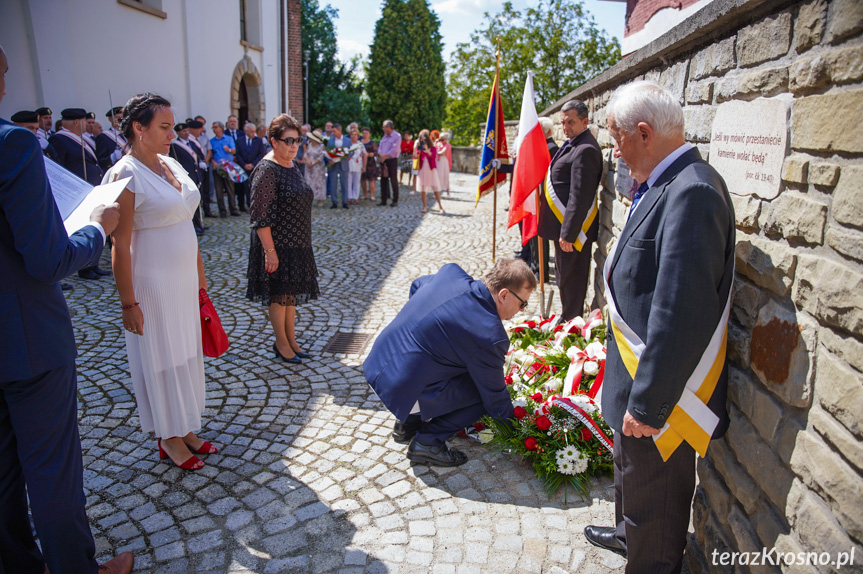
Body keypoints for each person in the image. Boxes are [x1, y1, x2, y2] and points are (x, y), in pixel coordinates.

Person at [583, 81, 735, 574]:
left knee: (657, 492)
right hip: (636, 369)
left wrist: (650, 405)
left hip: (663, 394)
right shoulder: (667, 180)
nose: (616, 151)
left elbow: (680, 311)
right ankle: (631, 533)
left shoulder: (691, 191)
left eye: (618, 138)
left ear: (644, 133)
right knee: (633, 476)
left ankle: (650, 560)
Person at [0, 44, 133, 574]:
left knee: (4, 473)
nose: (7, 85)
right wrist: (97, 228)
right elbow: (49, 258)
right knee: (51, 469)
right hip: (26, 336)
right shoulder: (12, 144)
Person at [106, 92, 216, 472]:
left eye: (172, 126)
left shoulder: (170, 163)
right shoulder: (126, 174)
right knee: (161, 355)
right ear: (139, 128)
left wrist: (199, 275)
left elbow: (186, 219)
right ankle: (167, 436)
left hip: (183, 276)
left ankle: (184, 425)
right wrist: (128, 303)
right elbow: (120, 243)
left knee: (185, 351)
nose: (173, 133)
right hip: (151, 280)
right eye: (164, 127)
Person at [364, 258, 536, 466]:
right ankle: (427, 443)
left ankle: (407, 424)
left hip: (377, 363)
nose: (522, 310)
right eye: (522, 303)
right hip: (401, 387)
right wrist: (518, 434)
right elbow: (494, 398)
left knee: (461, 370)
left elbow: (417, 284)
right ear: (504, 294)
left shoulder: (451, 273)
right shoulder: (490, 334)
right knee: (481, 395)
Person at [246, 114, 320, 363]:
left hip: (296, 242)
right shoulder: (267, 170)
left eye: (297, 140)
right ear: (273, 141)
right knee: (279, 295)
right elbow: (259, 216)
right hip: (276, 245)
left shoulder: (292, 164)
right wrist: (270, 251)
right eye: (288, 140)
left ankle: (291, 339)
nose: (293, 145)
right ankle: (281, 342)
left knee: (291, 297)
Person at [537, 100, 602, 321]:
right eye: (563, 122)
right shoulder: (573, 143)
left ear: (585, 121)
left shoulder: (585, 149)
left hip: (573, 231)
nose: (565, 127)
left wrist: (569, 232)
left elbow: (580, 195)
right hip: (563, 225)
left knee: (571, 280)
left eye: (571, 122)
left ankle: (572, 323)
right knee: (565, 278)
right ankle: (568, 318)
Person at [49, 107, 110, 281]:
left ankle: (93, 264)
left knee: (95, 223)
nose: (87, 125)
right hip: (77, 192)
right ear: (77, 122)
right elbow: (59, 166)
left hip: (91, 188)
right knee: (84, 226)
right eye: (84, 121)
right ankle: (84, 266)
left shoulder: (82, 139)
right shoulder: (59, 139)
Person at [169, 121, 207, 235]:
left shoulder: (192, 143)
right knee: (190, 202)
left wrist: (201, 162)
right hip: (187, 176)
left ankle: (199, 223)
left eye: (187, 130)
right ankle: (194, 226)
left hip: (196, 174)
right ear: (178, 133)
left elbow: (198, 155)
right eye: (183, 131)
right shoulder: (175, 146)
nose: (186, 133)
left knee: (197, 200)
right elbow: (176, 161)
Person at [210, 120, 239, 217]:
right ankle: (222, 210)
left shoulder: (229, 139)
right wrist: (213, 162)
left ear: (221, 128)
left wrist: (228, 150)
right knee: (219, 190)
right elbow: (210, 154)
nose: (214, 129)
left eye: (215, 127)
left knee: (230, 189)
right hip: (217, 168)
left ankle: (233, 209)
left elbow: (234, 151)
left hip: (228, 167)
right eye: (213, 127)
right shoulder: (212, 141)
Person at [235, 122, 265, 212]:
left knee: (253, 187)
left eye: (254, 131)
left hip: (254, 167)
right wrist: (244, 164)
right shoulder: (239, 140)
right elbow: (238, 154)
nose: (253, 133)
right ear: (246, 131)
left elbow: (261, 154)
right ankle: (241, 205)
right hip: (242, 167)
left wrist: (253, 164)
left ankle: (252, 205)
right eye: (251, 132)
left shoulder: (259, 141)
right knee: (241, 187)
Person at [414, 129, 444, 214]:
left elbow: (433, 156)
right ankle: (424, 206)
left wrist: (427, 150)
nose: (424, 141)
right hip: (422, 169)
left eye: (425, 140)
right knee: (423, 188)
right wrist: (415, 147)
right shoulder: (419, 148)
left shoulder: (433, 148)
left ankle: (440, 206)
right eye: (422, 140)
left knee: (435, 188)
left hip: (431, 169)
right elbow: (415, 157)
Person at [189, 118, 214, 217]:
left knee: (206, 189)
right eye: (200, 128)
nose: (202, 130)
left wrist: (204, 161)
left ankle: (207, 210)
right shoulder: (190, 140)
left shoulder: (204, 137)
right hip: (195, 168)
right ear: (193, 129)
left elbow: (209, 151)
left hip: (204, 166)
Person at [326, 123, 351, 209]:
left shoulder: (348, 140)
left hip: (343, 164)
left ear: (339, 130)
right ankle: (334, 202)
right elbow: (327, 152)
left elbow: (352, 151)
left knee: (344, 184)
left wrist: (345, 154)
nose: (333, 133)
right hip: (333, 165)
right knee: (333, 184)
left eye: (334, 131)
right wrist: (330, 159)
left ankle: (345, 202)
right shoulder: (330, 141)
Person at [378, 119, 402, 207]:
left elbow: (395, 149)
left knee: (393, 179)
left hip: (391, 160)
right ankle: (383, 199)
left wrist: (386, 156)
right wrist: (380, 154)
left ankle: (395, 200)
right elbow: (380, 146)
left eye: (384, 127)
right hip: (383, 160)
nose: (383, 129)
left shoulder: (397, 136)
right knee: (383, 180)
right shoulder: (384, 136)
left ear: (388, 127)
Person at [96, 106, 127, 170]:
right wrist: (113, 157)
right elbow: (100, 162)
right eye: (117, 118)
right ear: (110, 119)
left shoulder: (129, 135)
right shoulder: (104, 137)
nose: (120, 120)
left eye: (123, 118)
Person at [303, 129, 327, 207]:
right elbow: (305, 154)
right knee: (309, 183)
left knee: (319, 183)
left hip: (318, 168)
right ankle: (309, 199)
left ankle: (320, 200)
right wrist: (307, 161)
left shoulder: (321, 146)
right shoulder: (309, 145)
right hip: (309, 168)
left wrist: (313, 163)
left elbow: (321, 157)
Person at [346, 128, 365, 205]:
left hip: (358, 165)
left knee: (356, 182)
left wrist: (364, 166)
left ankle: (355, 197)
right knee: (348, 182)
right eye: (352, 134)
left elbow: (364, 155)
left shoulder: (360, 144)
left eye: (355, 134)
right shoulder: (347, 143)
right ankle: (349, 197)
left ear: (358, 136)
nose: (353, 136)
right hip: (348, 165)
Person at [360, 126, 379, 201]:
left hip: (371, 162)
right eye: (364, 133)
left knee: (371, 179)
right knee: (363, 179)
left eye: (366, 133)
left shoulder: (372, 143)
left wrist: (371, 154)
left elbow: (376, 152)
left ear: (369, 134)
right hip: (361, 162)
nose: (365, 134)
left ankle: (372, 195)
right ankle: (365, 194)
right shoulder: (360, 142)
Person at [435, 131, 452, 197]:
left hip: (444, 161)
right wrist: (435, 142)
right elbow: (432, 149)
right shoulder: (438, 144)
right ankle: (437, 193)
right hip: (438, 161)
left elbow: (441, 153)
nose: (441, 140)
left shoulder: (447, 145)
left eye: (442, 138)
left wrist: (435, 152)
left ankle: (448, 193)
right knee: (437, 176)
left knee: (445, 176)